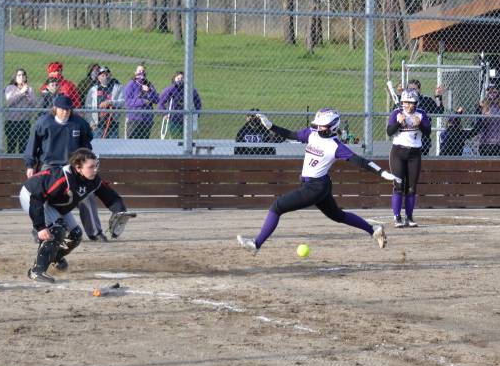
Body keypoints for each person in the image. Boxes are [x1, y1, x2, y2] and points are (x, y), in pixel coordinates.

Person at [235, 108, 399, 254]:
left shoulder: (335, 146)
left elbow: (361, 161)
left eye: (324, 125)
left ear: (333, 126)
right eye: (318, 124)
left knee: (277, 206)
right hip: (318, 185)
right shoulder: (311, 133)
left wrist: (383, 173)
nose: (319, 127)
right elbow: (291, 134)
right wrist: (271, 126)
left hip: (316, 187)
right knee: (337, 215)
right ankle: (373, 229)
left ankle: (256, 244)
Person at [24, 92, 127, 242]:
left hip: (73, 167)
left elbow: (86, 146)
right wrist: (30, 165)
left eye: (68, 109)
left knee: (86, 195)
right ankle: (41, 229)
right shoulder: (43, 123)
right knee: (45, 197)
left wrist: (85, 164)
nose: (65, 112)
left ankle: (95, 232)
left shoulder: (78, 123)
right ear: (55, 108)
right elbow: (32, 145)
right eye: (62, 109)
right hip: (50, 166)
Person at [20, 148, 132, 283]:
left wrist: (119, 210)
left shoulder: (92, 179)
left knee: (76, 234)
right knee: (56, 230)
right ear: (78, 168)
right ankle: (36, 271)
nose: (95, 170)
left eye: (96, 165)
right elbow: (37, 198)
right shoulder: (62, 178)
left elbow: (109, 195)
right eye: (91, 167)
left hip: (53, 201)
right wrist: (40, 227)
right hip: (32, 195)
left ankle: (54, 257)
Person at [386, 88, 430, 227]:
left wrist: (420, 124)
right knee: (398, 186)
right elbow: (389, 132)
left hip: (414, 153)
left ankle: (409, 217)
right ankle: (397, 217)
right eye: (405, 102)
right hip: (398, 152)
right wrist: (398, 123)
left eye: (411, 103)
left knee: (411, 187)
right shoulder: (396, 113)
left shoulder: (421, 114)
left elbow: (427, 132)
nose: (408, 105)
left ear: (416, 103)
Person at [157, 71, 202, 139]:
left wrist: (197, 113)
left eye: (182, 78)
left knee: (186, 138)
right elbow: (161, 101)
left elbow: (197, 101)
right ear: (174, 79)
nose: (180, 80)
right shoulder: (170, 89)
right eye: (178, 78)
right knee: (176, 138)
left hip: (187, 118)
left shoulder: (190, 89)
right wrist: (164, 113)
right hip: (174, 118)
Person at [85, 66, 123, 138]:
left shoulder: (117, 87)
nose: (105, 77)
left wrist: (110, 102)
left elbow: (123, 102)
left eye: (107, 74)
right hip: (97, 125)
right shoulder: (93, 90)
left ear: (110, 75)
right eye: (102, 75)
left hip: (113, 125)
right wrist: (91, 123)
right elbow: (88, 107)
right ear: (98, 77)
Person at [4, 68, 37, 154]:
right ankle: (10, 165)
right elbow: (9, 101)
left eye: (23, 75)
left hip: (24, 121)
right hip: (12, 122)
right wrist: (21, 92)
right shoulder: (10, 88)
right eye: (19, 75)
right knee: (11, 145)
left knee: (23, 145)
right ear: (15, 77)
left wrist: (27, 94)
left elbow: (34, 103)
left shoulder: (29, 89)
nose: (21, 77)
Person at [123, 64, 158, 138]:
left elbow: (157, 100)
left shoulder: (148, 84)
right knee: (131, 144)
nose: (141, 73)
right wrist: (143, 101)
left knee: (144, 144)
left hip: (147, 120)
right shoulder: (131, 84)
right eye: (139, 71)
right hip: (134, 119)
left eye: (143, 71)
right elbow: (127, 102)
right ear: (135, 72)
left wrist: (149, 91)